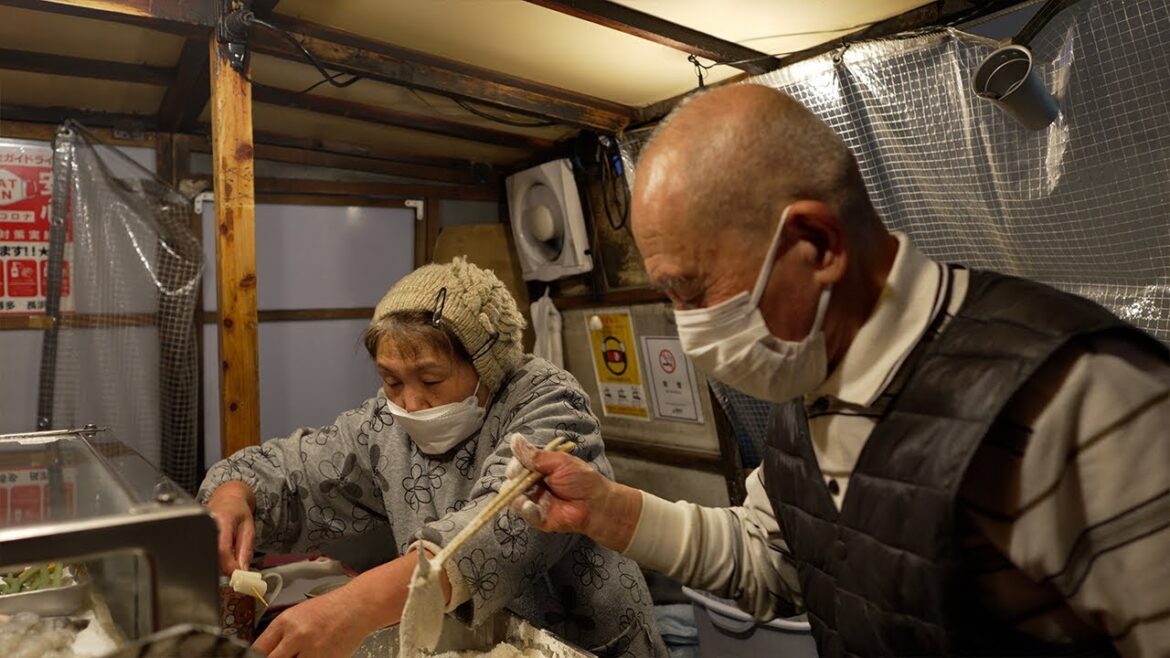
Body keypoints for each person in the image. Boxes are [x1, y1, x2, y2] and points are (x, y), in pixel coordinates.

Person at [507, 84, 1170, 657]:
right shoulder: (810, 374)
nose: (687, 327)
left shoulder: (1077, 395)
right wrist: (607, 510)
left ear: (817, 245)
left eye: (691, 291)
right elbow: (775, 556)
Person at [199, 258, 667, 658]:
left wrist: (353, 607)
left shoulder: (550, 404)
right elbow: (294, 472)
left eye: (431, 378)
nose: (411, 403)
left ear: (486, 368)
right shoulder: (384, 423)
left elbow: (497, 528)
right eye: (391, 380)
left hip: (582, 644)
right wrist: (234, 495)